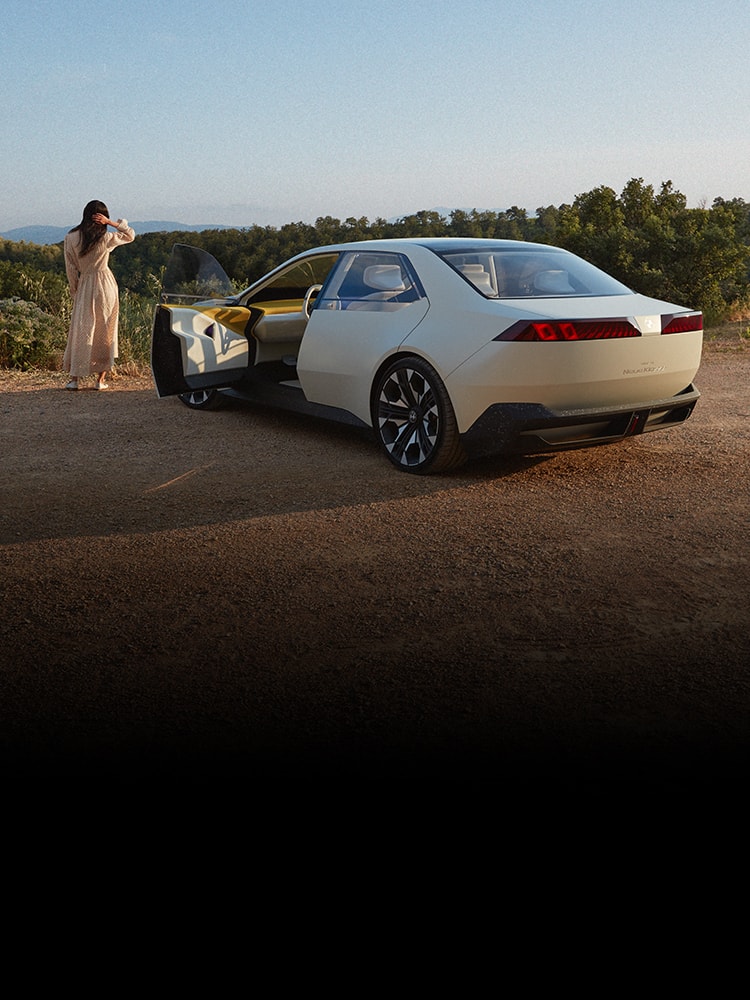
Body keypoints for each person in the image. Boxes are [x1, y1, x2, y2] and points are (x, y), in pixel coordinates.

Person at [62, 200, 135, 390]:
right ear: (102, 217)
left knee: (81, 329)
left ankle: (74, 379)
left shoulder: (71, 237)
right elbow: (130, 235)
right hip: (106, 284)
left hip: (85, 284)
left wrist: (74, 289)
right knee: (106, 328)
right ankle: (100, 380)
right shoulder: (106, 237)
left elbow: (70, 267)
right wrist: (112, 223)